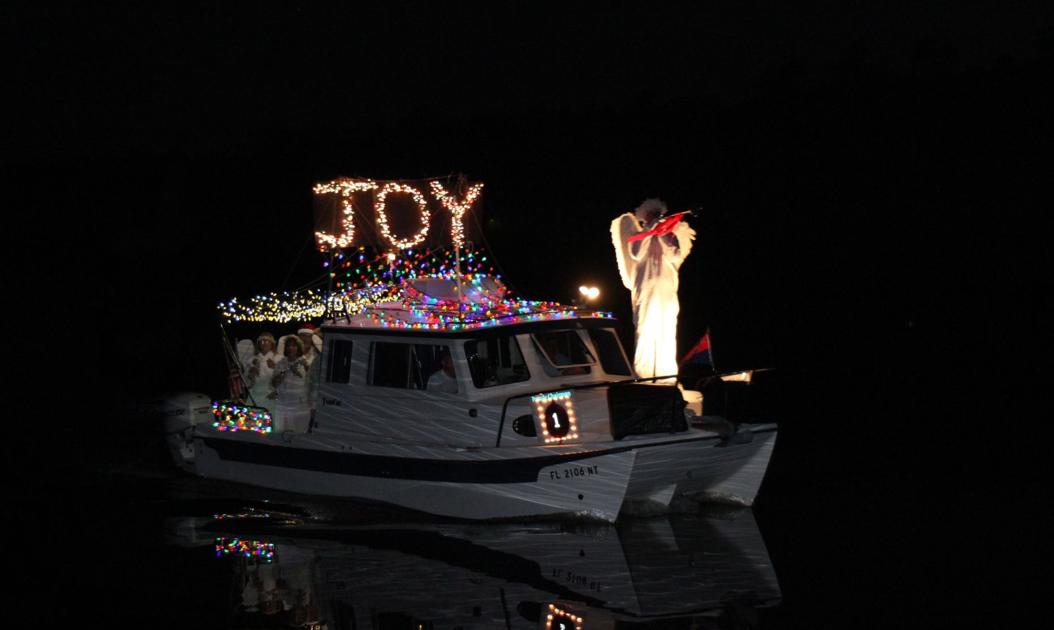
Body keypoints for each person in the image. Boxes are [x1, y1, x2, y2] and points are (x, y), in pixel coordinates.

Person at [611, 198, 695, 379]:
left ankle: (668, 376)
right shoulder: (638, 235)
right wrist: (650, 231)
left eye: (659, 214)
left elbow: (675, 254)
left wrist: (663, 233)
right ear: (645, 217)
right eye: (653, 215)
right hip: (646, 289)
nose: (658, 217)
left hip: (666, 289)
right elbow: (635, 253)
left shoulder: (669, 235)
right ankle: (644, 376)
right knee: (646, 330)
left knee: (666, 330)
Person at [272, 335, 311, 432]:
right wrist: (281, 376)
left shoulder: (305, 362)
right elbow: (274, 383)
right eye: (288, 346)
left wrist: (299, 371)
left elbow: (311, 381)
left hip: (299, 405)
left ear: (298, 347)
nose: (291, 348)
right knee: (281, 431)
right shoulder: (281, 363)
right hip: (283, 404)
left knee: (298, 432)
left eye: (293, 346)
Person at [246, 332, 278, 405]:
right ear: (259, 344)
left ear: (272, 343)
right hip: (255, 396)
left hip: (271, 396)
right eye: (262, 341)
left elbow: (283, 378)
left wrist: (275, 367)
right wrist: (251, 374)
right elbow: (248, 382)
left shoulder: (279, 358)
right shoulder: (251, 360)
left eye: (267, 341)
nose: (265, 343)